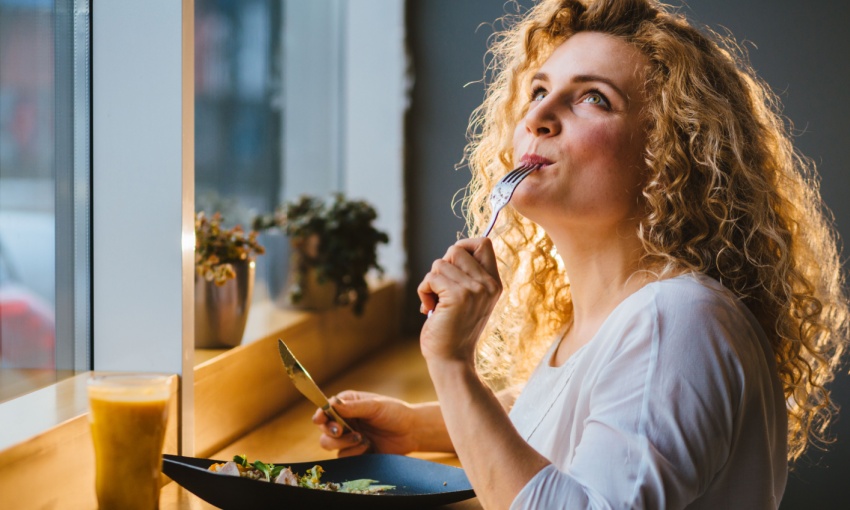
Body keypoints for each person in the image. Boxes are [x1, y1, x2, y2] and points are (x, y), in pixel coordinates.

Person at [313, 0, 849, 508]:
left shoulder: (677, 321)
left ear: (670, 152)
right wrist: (419, 426)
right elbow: (567, 429)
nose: (538, 115)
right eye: (539, 89)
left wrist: (454, 369)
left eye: (593, 97)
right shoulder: (615, 319)